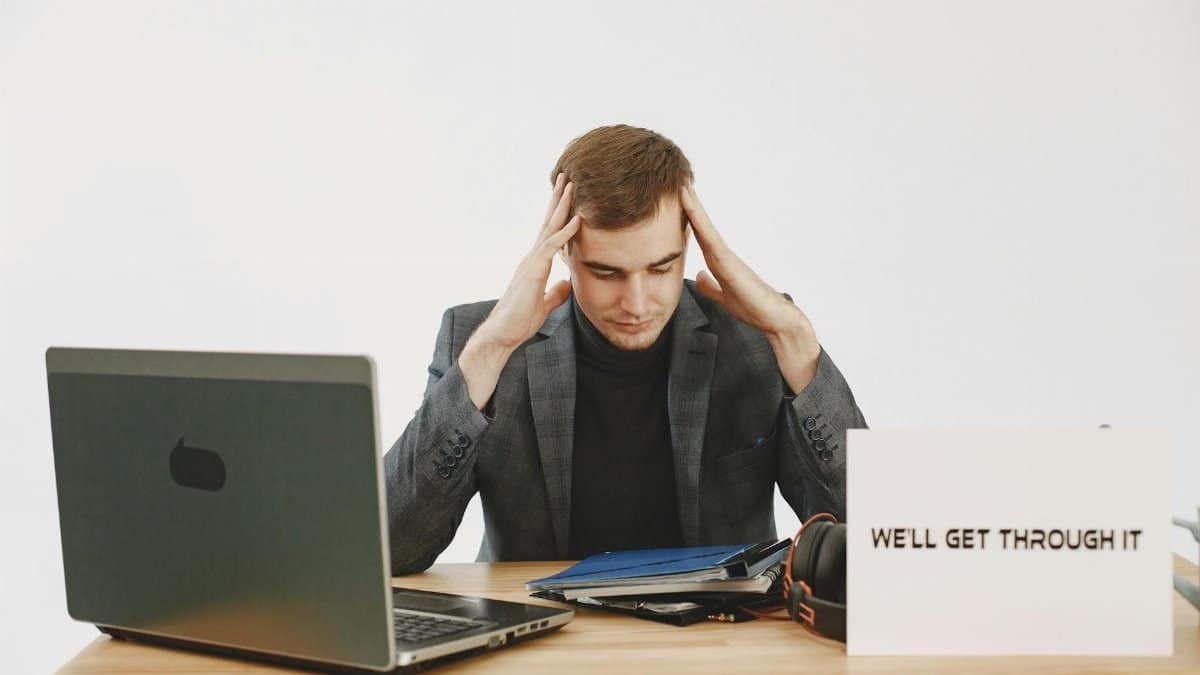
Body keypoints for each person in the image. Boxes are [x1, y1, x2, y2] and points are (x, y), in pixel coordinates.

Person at [384, 124, 867, 574]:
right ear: (564, 253)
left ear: (689, 243)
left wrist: (795, 339)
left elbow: (870, 540)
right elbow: (392, 547)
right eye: (606, 273)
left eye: (661, 268)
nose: (636, 303)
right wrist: (490, 349)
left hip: (716, 640)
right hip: (541, 641)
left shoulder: (755, 338)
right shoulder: (479, 340)